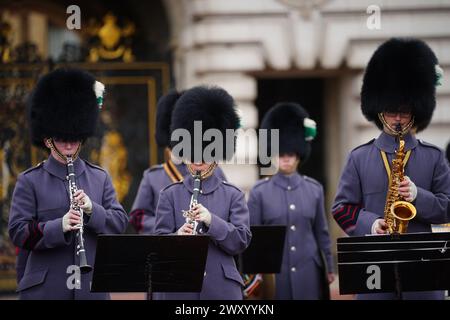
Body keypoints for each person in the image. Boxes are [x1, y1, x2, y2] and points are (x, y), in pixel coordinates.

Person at [332, 38, 450, 300]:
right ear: (379, 111)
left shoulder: (434, 157)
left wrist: (418, 195)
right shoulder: (359, 157)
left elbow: (448, 208)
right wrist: (372, 224)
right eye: (391, 111)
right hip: (375, 270)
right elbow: (341, 208)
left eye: (405, 112)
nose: (398, 119)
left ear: (416, 111)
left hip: (424, 270)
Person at [8, 68, 128, 299]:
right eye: (62, 137)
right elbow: (18, 233)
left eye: (74, 137)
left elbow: (119, 223)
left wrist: (92, 210)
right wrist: (59, 226)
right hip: (46, 290)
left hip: (91, 289)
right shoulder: (29, 180)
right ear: (48, 138)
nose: (69, 143)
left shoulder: (99, 177)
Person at [153, 85, 252, 300]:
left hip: (221, 289)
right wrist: (177, 237)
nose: (198, 160)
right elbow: (157, 245)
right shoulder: (169, 195)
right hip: (179, 290)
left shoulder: (233, 194)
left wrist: (211, 221)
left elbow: (241, 241)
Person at [247, 102, 335, 300]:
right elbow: (252, 239)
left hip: (308, 272)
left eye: (290, 153)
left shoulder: (314, 189)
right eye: (281, 153)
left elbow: (322, 232)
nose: (286, 158)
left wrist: (329, 267)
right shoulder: (259, 192)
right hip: (275, 276)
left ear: (299, 154)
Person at [129, 90, 226, 234]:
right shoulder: (153, 176)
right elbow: (139, 218)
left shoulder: (213, 170)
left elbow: (226, 209)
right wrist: (169, 225)